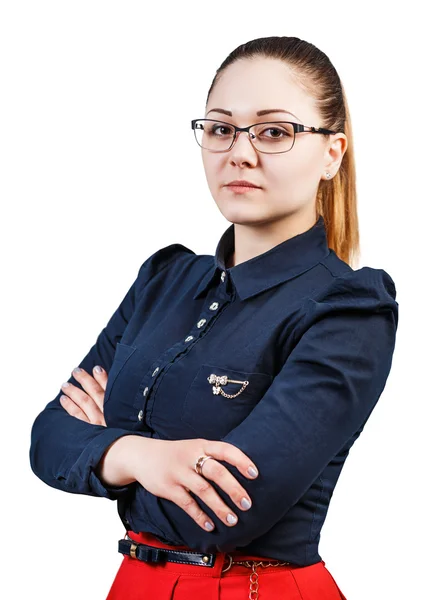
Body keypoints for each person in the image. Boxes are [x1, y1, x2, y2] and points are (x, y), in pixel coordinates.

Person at [29, 35, 399, 599]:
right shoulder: (164, 279)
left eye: (274, 132)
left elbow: (222, 511)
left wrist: (101, 445)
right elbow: (46, 438)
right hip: (131, 585)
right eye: (221, 128)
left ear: (331, 153)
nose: (240, 152)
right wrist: (140, 454)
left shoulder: (348, 311)